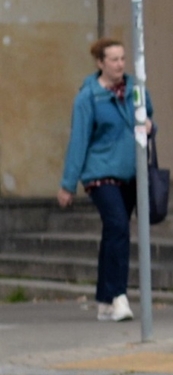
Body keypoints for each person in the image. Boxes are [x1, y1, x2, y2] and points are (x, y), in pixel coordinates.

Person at [57, 39, 149, 322]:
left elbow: (147, 116)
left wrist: (148, 124)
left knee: (114, 232)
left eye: (122, 58)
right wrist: (68, 184)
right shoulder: (88, 97)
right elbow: (79, 140)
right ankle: (119, 296)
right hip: (100, 173)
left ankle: (104, 299)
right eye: (113, 59)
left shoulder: (135, 89)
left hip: (131, 172)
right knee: (118, 225)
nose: (120, 64)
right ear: (100, 63)